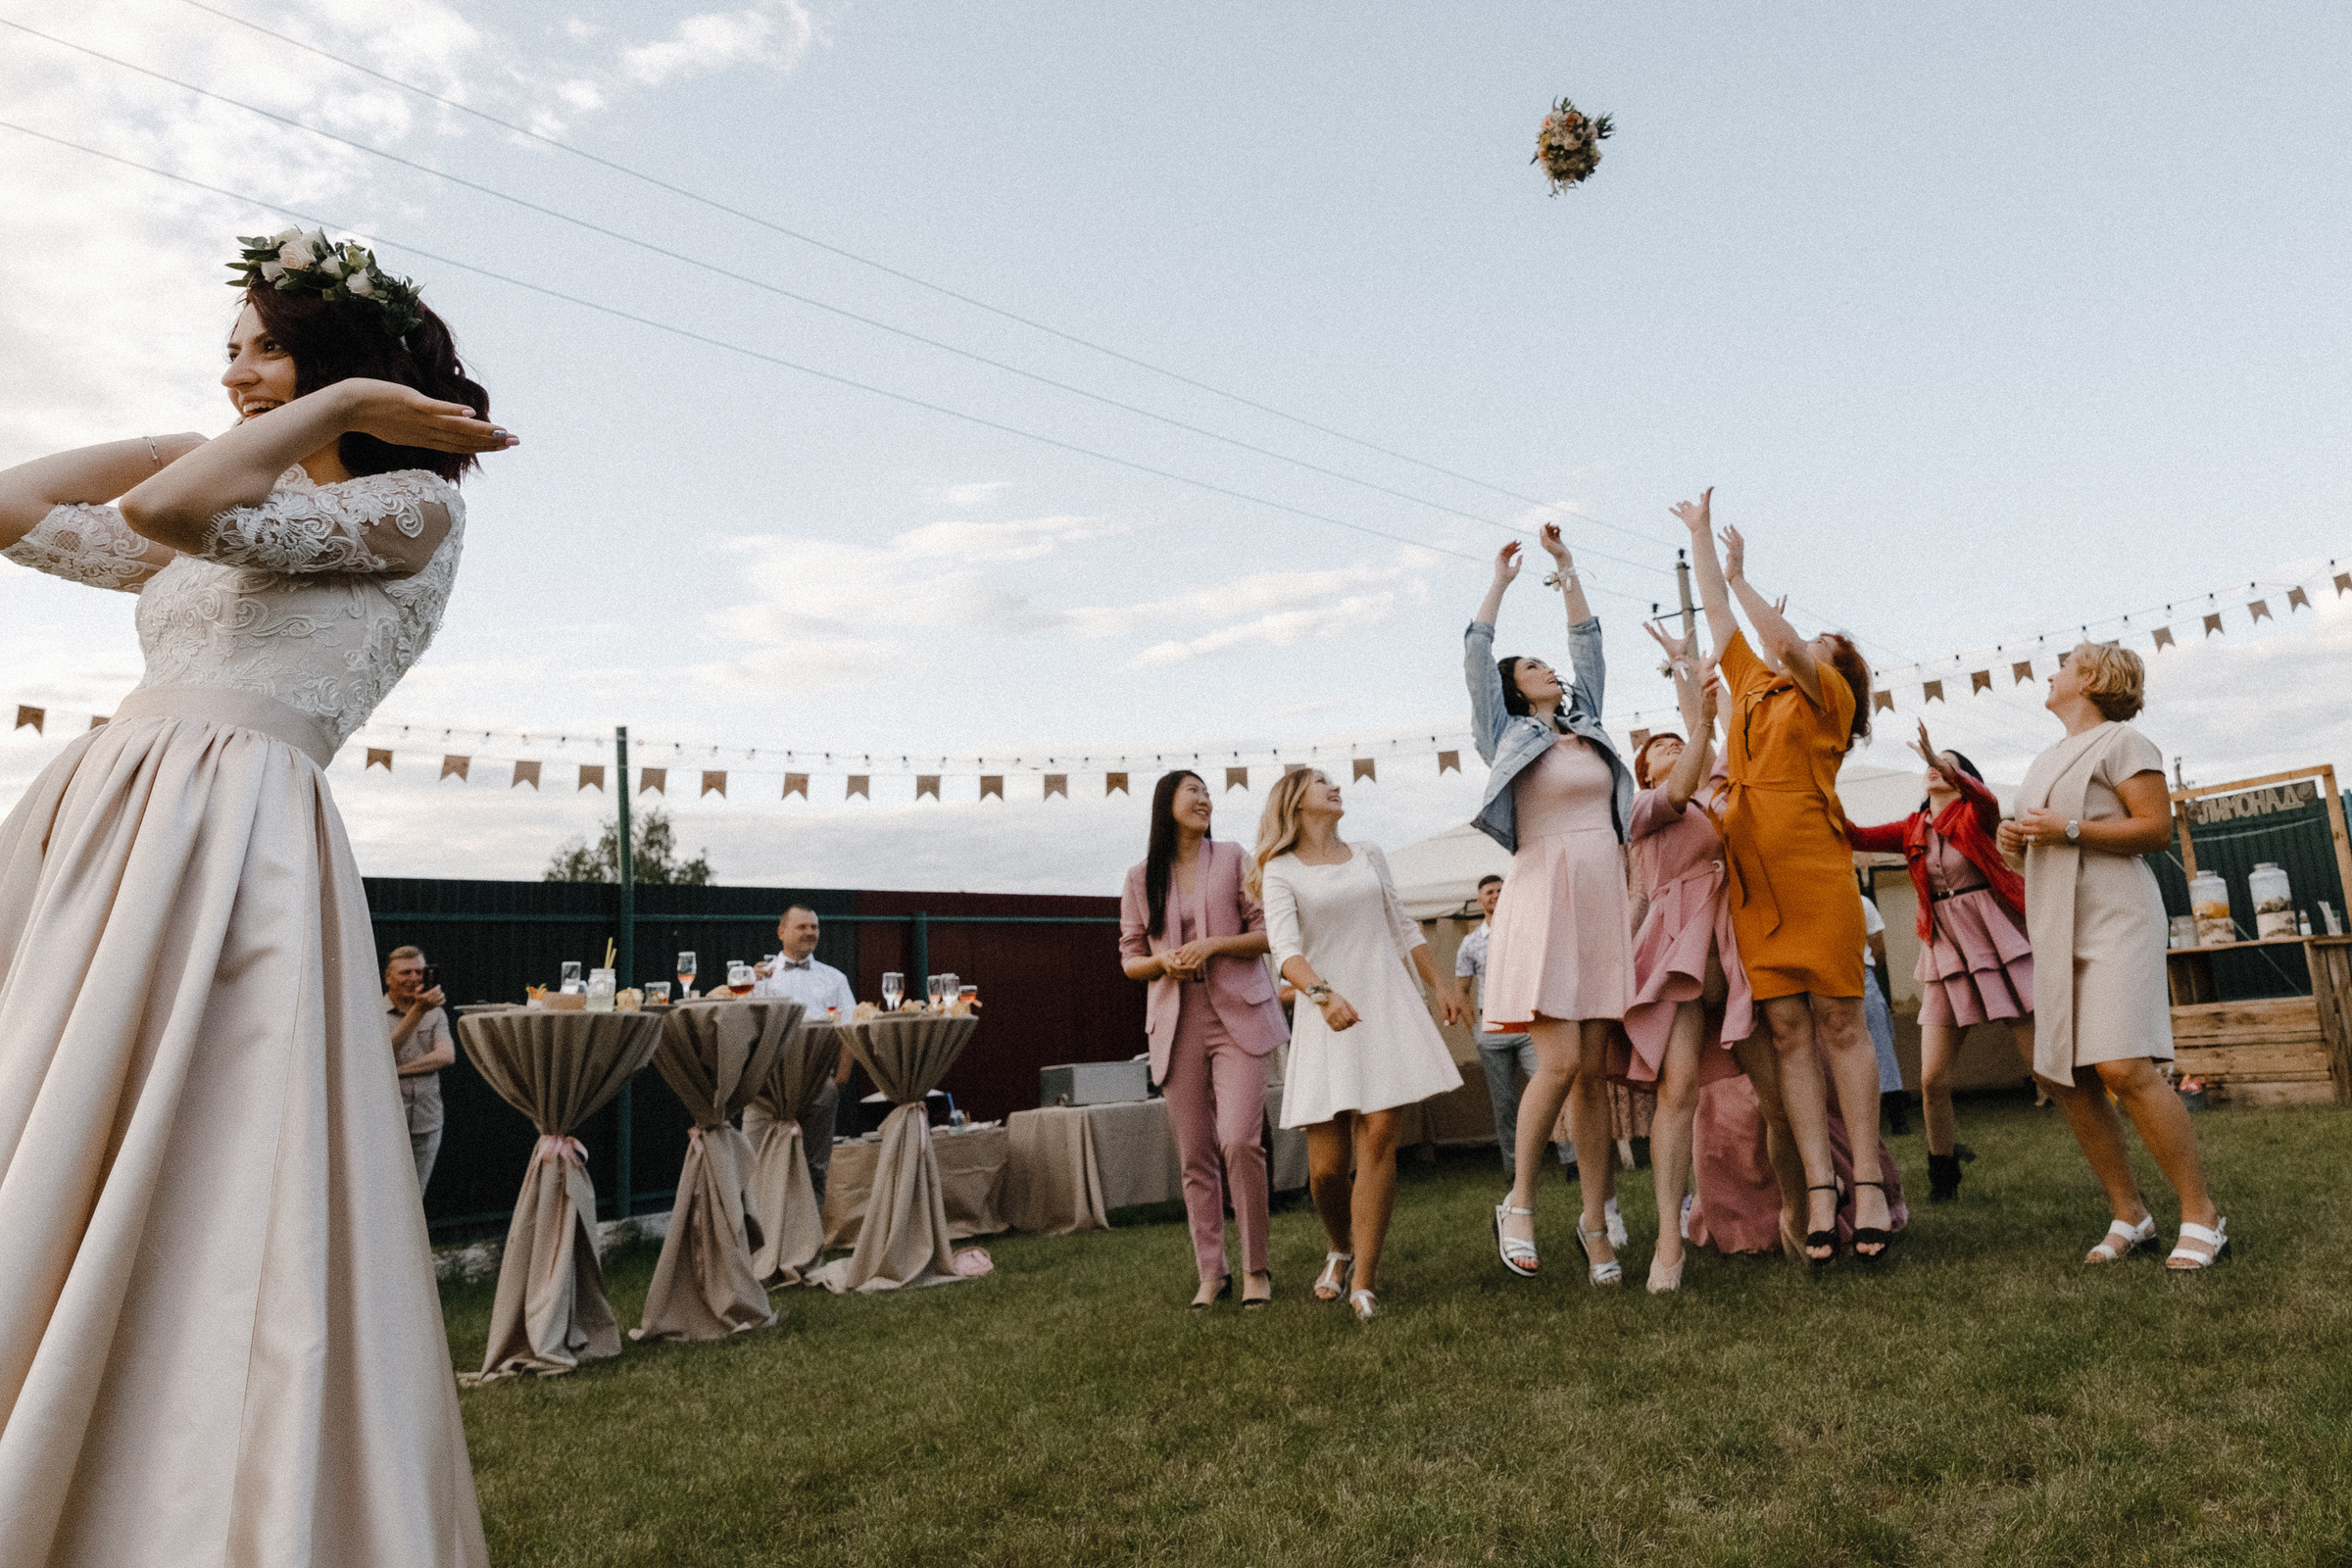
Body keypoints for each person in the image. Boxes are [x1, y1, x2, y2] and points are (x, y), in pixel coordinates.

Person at [0, 230, 510, 1562]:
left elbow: (177, 515)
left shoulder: (416, 516)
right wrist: (236, 418)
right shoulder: (234, 494)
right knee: (53, 1108)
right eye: (229, 349)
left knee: (215, 1153)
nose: (237, 371)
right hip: (108, 813)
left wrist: (324, 415)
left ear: (347, 364)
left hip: (236, 828)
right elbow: (7, 503)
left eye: (265, 346)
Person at [1677, 487, 1894, 1263]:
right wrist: (1704, 539)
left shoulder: (1824, 698)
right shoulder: (1751, 689)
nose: (1805, 641)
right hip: (1753, 881)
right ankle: (1820, 1187)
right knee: (1789, 1030)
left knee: (1840, 1021)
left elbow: (1793, 648)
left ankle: (1865, 1180)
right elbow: (1716, 616)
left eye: (1826, 641)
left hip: (1813, 867)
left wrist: (1743, 579)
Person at [1999, 642, 2227, 1269]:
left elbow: (2155, 828)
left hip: (2116, 918)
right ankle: (2131, 1212)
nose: (2050, 672)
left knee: (2124, 1067)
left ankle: (2203, 1215)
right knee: (2068, 1078)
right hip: (2054, 922)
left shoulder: (2125, 743)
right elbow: (2037, 843)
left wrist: (2067, 829)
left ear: (2092, 677)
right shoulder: (2046, 757)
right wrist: (2011, 836)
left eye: (2063, 665)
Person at [1465, 526, 1636, 1287]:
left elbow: (1589, 642)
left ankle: (1596, 1225)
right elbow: (1475, 652)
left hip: (1602, 893)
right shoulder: (1505, 732)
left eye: (1549, 663)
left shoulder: (1586, 724)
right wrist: (1500, 582)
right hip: (1540, 893)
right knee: (1559, 1060)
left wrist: (1567, 569)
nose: (1550, 668)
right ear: (1513, 687)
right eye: (1531, 664)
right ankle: (1520, 1200)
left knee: (1594, 1070)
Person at [1620, 633, 1802, 1289]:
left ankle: (1793, 1215)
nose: (1670, 746)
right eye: (1656, 747)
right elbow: (1691, 763)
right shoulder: (1640, 808)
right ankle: (1668, 1240)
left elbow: (1719, 745)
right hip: (1677, 949)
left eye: (1677, 739)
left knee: (1777, 1096)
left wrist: (1692, 672)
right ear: (1643, 771)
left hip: (1735, 937)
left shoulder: (1719, 795)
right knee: (1678, 1093)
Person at [1254, 768, 1462, 1321]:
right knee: (1326, 1168)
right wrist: (1322, 995)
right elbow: (1286, 951)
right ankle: (1339, 1246)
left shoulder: (1369, 852)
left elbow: (1404, 927)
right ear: (1296, 803)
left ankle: (1365, 1278)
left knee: (1380, 1135)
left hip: (1386, 1001)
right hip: (1328, 1009)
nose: (1335, 785)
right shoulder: (1281, 869)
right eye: (1321, 781)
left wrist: (1441, 984)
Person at [1847, 721, 2041, 1198]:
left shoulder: (1976, 816)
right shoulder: (1912, 829)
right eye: (1932, 766)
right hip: (1945, 952)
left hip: (1995, 942)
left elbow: (1987, 802)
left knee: (2043, 1067)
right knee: (1932, 1079)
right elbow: (1854, 834)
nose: (1935, 770)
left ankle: (2105, 1137)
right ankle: (1944, 1173)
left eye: (1948, 766)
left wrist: (1942, 760)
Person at [1120, 770, 1291, 1310]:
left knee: (1240, 1140)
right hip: (1176, 1022)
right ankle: (1211, 1273)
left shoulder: (1236, 856)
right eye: (1192, 790)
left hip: (1238, 1014)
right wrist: (1160, 961)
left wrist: (1214, 945)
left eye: (1207, 793)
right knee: (1195, 1153)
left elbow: (1269, 934)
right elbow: (1129, 960)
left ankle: (1256, 1268)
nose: (1204, 799)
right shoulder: (1139, 876)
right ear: (1165, 803)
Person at [1453, 873, 1577, 1181]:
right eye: (1488, 892)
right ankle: (1516, 1171)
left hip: (1527, 1026)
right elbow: (1461, 991)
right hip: (1492, 1028)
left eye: (1499, 890)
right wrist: (1475, 1031)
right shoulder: (1469, 944)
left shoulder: (1526, 931)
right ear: (1479, 900)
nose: (1495, 895)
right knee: (1505, 1103)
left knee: (1554, 1089)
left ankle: (1572, 1161)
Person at [748, 905, 858, 1204]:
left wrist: (839, 1082)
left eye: (815, 927)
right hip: (765, 1087)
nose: (811, 932)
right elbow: (745, 1028)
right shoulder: (759, 977)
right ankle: (761, 1248)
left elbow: (851, 1029)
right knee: (754, 1167)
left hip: (818, 1085)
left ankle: (810, 1248)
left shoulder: (834, 978)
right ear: (782, 932)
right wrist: (752, 984)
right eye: (802, 927)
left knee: (814, 1169)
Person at [385, 945, 456, 1198]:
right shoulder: (373, 1012)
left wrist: (394, 1072)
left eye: (419, 971)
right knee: (384, 1196)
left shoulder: (435, 1012)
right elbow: (384, 1054)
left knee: (415, 1197)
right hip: (387, 1123)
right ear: (388, 978)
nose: (414, 978)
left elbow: (446, 1056)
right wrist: (417, 1011)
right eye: (405, 973)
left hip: (426, 1122)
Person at [1858, 888, 1912, 1135]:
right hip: (1829, 980)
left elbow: (1878, 947)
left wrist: (1866, 973)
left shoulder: (1862, 903)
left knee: (1882, 1046)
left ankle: (1897, 1118)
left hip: (1863, 975)